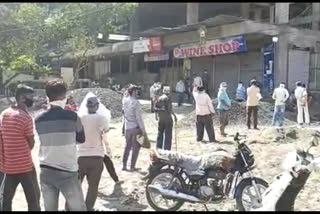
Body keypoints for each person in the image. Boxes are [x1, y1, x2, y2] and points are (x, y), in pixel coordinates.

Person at [35, 79, 87, 211]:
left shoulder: (38, 119)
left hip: (46, 170)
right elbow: (82, 139)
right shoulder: (72, 116)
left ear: (48, 97)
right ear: (64, 96)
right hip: (67, 171)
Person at [0, 84, 40, 211]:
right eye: (30, 97)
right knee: (33, 199)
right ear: (22, 98)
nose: (32, 99)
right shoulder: (25, 117)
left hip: (8, 166)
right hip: (25, 166)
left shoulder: (4, 114)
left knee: (6, 199)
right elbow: (31, 143)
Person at [76, 95, 113, 211]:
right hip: (96, 157)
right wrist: (108, 150)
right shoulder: (101, 118)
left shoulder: (79, 117)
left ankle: (71, 207)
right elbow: (105, 133)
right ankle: (88, 208)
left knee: (76, 186)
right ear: (96, 106)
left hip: (81, 156)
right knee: (93, 187)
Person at [122, 84, 146, 172]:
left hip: (127, 127)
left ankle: (124, 165)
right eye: (136, 91)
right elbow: (138, 117)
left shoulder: (124, 101)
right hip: (135, 127)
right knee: (135, 148)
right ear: (134, 92)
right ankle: (132, 166)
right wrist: (143, 129)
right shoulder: (135, 102)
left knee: (127, 147)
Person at [154, 86, 177, 150]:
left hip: (161, 118)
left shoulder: (159, 98)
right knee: (168, 135)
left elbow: (155, 108)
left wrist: (156, 116)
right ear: (168, 92)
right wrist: (174, 116)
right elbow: (169, 110)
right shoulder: (168, 98)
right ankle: (167, 150)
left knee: (160, 133)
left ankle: (158, 148)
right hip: (168, 119)